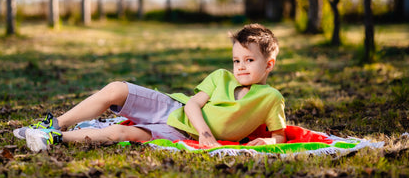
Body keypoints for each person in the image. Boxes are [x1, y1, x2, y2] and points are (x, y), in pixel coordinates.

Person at [14, 23, 286, 152]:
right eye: (236, 60)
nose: (240, 66)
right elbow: (193, 103)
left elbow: (280, 136)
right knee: (116, 88)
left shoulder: (271, 98)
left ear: (269, 64)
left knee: (119, 131)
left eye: (249, 60)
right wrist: (205, 133)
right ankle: (54, 123)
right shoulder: (221, 77)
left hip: (178, 132)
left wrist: (270, 141)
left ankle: (52, 139)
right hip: (175, 108)